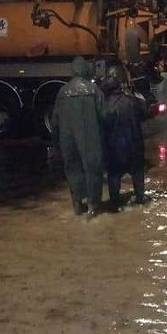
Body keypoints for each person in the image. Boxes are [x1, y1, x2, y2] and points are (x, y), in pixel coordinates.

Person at [51, 56, 105, 216]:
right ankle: (93, 205)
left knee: (72, 167)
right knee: (92, 167)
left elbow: (55, 120)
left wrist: (56, 142)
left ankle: (77, 204)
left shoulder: (62, 92)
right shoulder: (94, 90)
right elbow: (104, 115)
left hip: (67, 138)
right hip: (90, 136)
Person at [100, 63, 147, 211]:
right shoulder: (133, 100)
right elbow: (145, 111)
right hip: (134, 147)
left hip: (114, 150)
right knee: (137, 175)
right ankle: (140, 200)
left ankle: (115, 206)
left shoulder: (104, 104)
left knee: (114, 176)